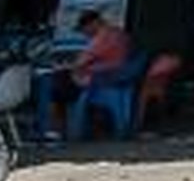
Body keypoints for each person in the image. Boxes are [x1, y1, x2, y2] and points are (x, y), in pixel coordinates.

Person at [46, 9, 138, 144]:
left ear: (93, 24)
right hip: (116, 74)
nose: (84, 33)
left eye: (84, 29)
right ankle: (64, 127)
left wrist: (68, 66)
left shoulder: (102, 37)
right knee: (61, 81)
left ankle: (57, 130)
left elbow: (79, 63)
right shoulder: (119, 33)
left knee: (55, 84)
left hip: (103, 78)